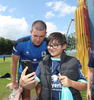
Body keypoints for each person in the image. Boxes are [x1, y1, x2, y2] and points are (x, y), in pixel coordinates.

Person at [20, 32, 87, 100]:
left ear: (63, 46)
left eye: (55, 45)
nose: (51, 48)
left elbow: (84, 86)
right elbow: (33, 84)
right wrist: (23, 83)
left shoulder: (74, 62)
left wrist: (71, 83)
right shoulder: (42, 64)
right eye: (49, 45)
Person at [10, 20, 48, 100]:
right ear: (31, 32)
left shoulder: (48, 43)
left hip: (39, 71)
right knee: (26, 98)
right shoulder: (20, 43)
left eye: (41, 36)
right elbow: (14, 62)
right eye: (35, 35)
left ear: (45, 34)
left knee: (42, 97)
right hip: (25, 73)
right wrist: (14, 82)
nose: (38, 39)